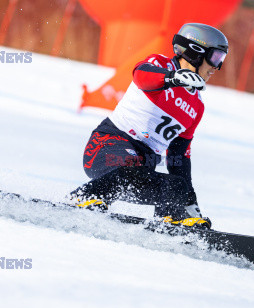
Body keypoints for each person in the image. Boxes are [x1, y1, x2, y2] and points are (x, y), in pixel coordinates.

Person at [69, 23, 228, 229]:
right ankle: (84, 196)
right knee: (131, 166)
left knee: (176, 184)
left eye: (221, 60)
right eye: (216, 58)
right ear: (196, 52)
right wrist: (172, 78)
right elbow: (140, 75)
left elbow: (179, 158)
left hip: (142, 168)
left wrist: (189, 204)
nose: (217, 67)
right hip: (106, 146)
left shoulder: (196, 106)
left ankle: (170, 222)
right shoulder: (161, 65)